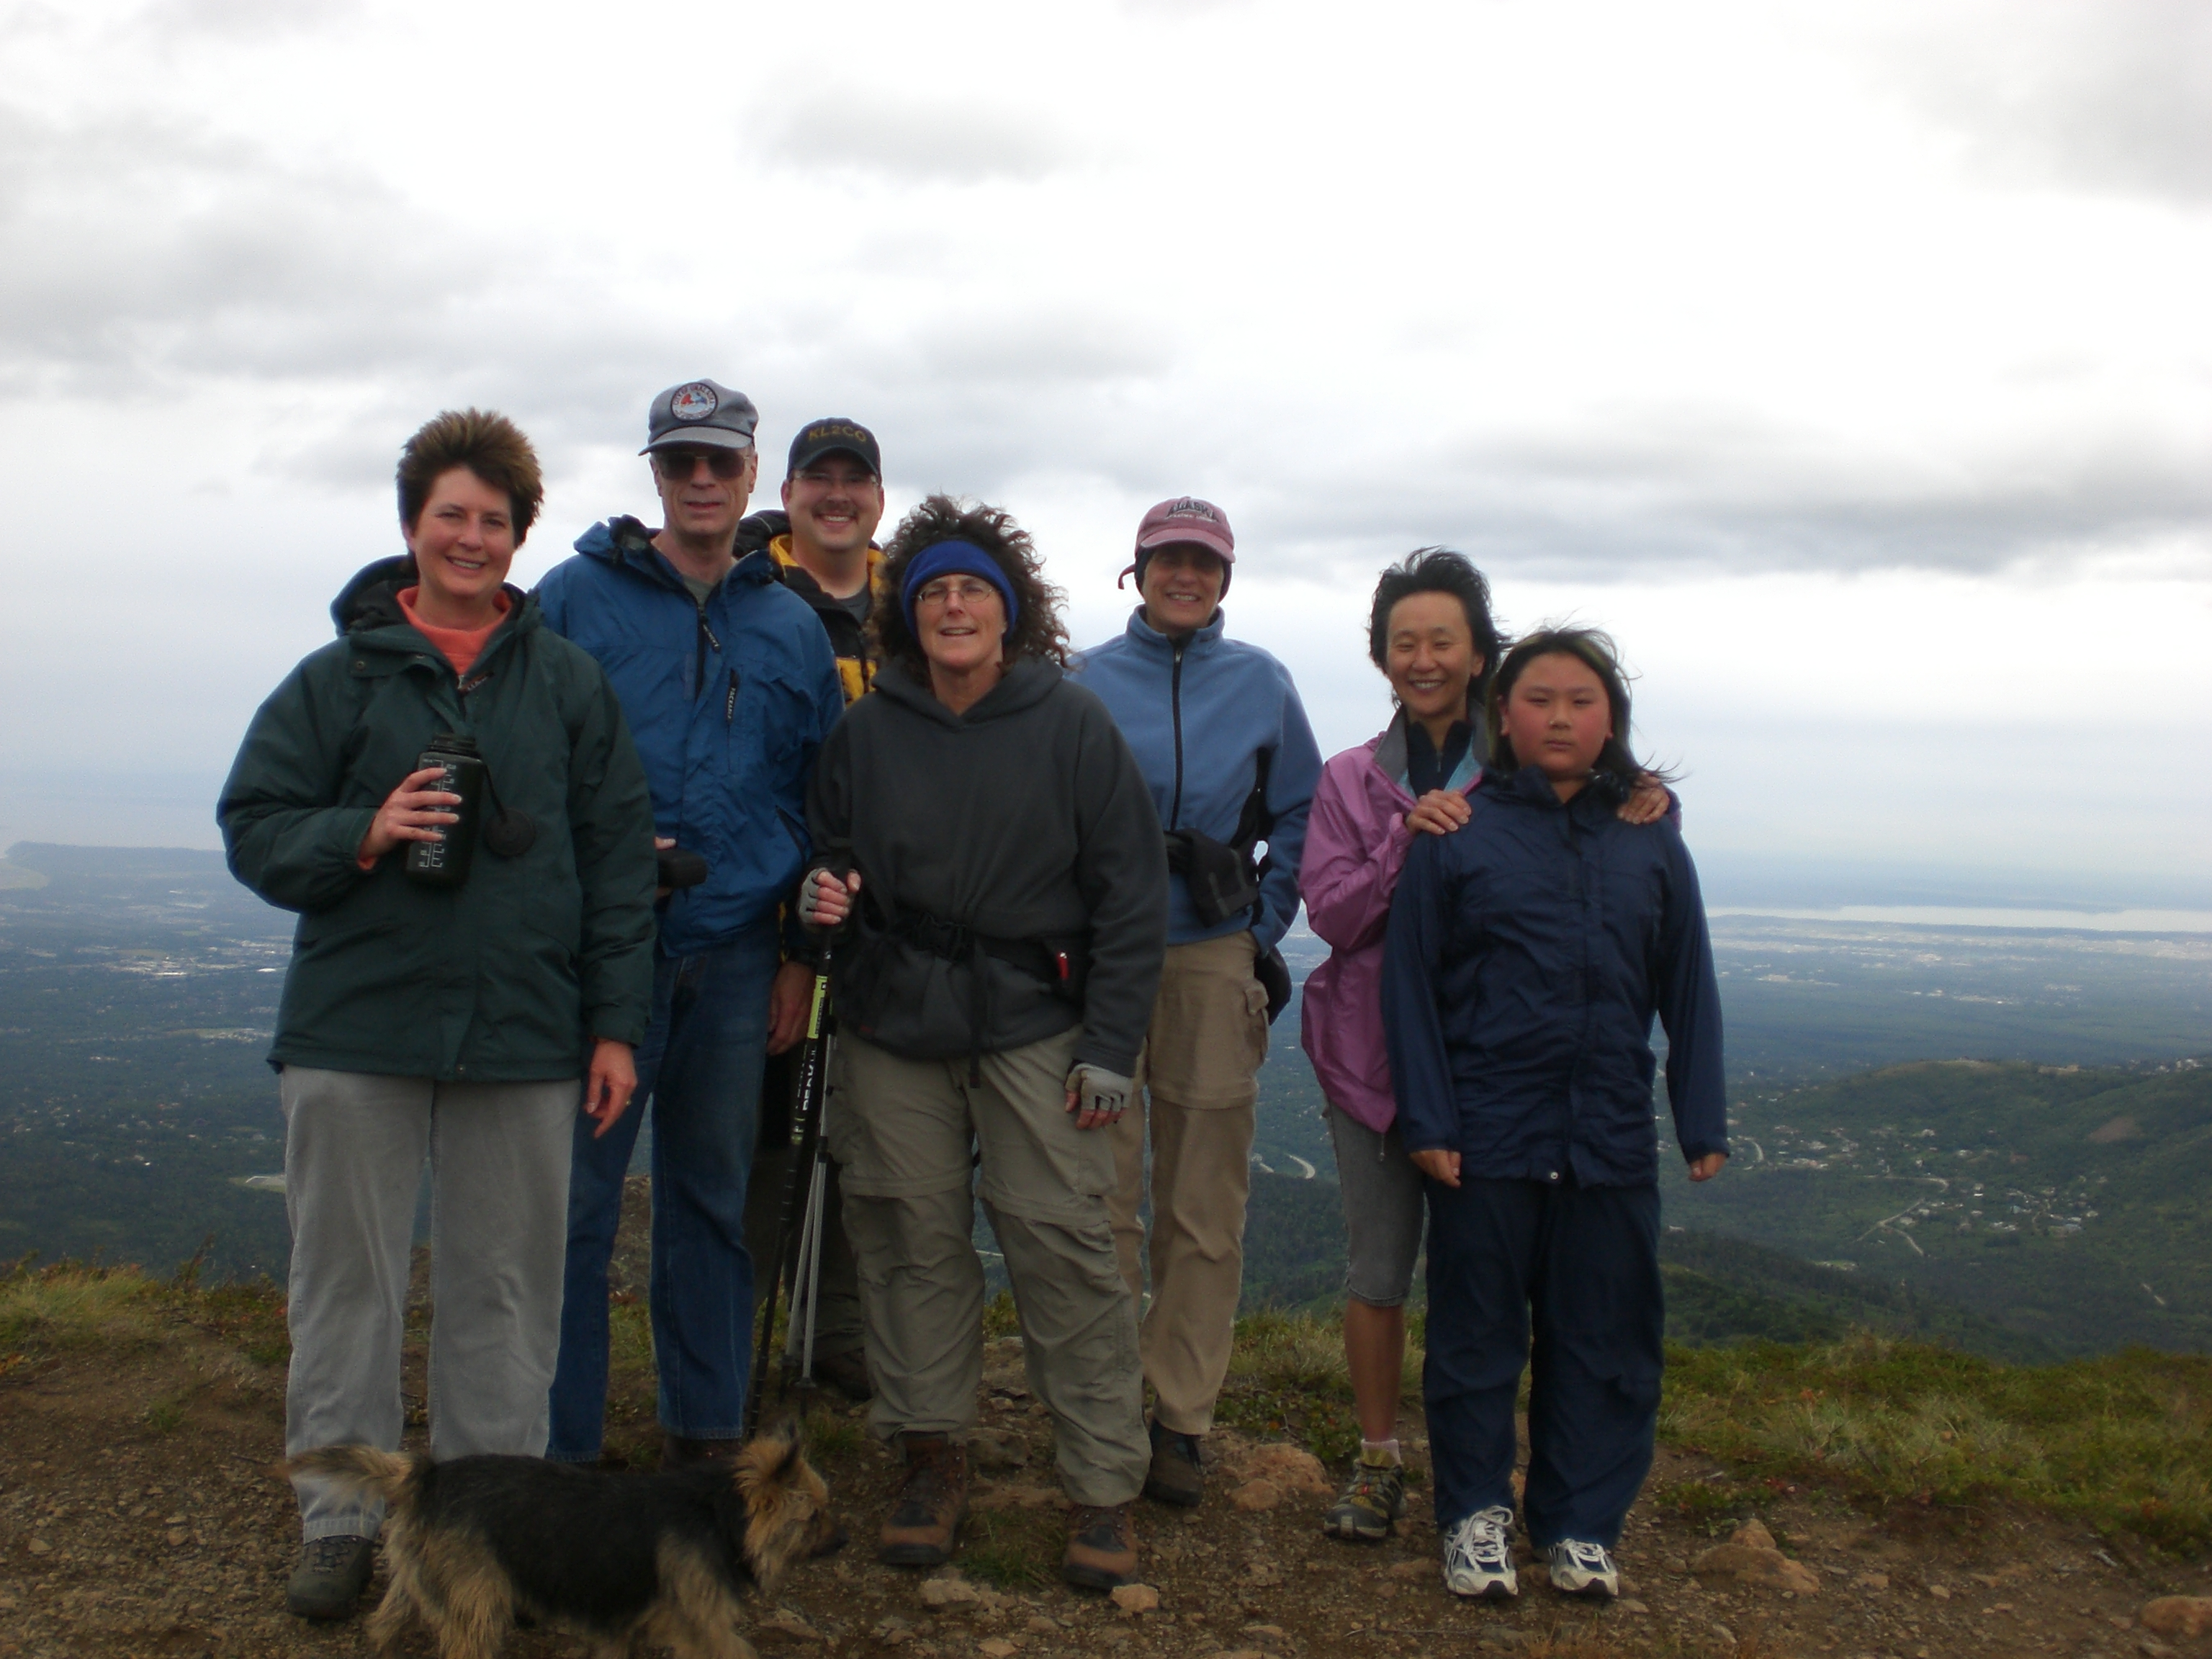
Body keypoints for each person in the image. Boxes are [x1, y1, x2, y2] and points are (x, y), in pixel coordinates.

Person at [218, 410, 658, 1621]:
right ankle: (340, 1520)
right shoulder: (337, 680)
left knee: (503, 1291)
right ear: (412, 525)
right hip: (354, 1027)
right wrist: (360, 831)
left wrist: (613, 1027)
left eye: (494, 520)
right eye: (450, 515)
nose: (471, 537)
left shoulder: (568, 686)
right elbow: (253, 825)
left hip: (524, 1033)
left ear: (520, 536)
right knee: (343, 1284)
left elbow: (620, 866)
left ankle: (488, 1536)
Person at [801, 496, 1166, 1590]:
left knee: (1062, 1242)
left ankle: (1102, 1484)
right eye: (934, 593)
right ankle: (931, 1455)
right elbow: (828, 852)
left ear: (1011, 612)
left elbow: (1130, 897)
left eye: (974, 591)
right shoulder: (867, 732)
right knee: (906, 1235)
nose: (954, 608)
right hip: (893, 1015)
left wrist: (1112, 1046)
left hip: (1034, 1020)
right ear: (907, 614)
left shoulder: (1073, 725)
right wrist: (819, 893)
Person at [1300, 551, 1670, 1544]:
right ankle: (1380, 1460)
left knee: (1501, 1290)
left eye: (1442, 641)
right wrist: (1406, 839)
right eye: (1403, 642)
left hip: (1497, 1072)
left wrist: (1646, 796)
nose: (1421, 659)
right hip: (1372, 1065)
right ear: (1380, 656)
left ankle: (1500, 1490)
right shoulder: (1348, 778)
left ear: (1478, 658)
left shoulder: (1519, 767)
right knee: (1380, 1270)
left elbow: (1596, 819)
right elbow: (1333, 916)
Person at [1383, 627, 1726, 1603]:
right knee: (1476, 1335)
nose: (1562, 718)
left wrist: (1700, 1119)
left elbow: (1688, 982)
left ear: (1612, 718)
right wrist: (1428, 1123)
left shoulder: (1650, 838)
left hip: (1608, 1134)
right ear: (1503, 714)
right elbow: (1410, 990)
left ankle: (1579, 1524)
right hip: (1487, 1133)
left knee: (1606, 1339)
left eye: (1582, 700)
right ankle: (1474, 1515)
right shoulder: (1457, 833)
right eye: (1540, 699)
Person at [539, 379, 845, 1470]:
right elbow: (528, 760)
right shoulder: (575, 598)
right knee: (573, 1208)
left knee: (711, 1201)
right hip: (598, 954)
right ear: (656, 474)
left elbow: (821, 801)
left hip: (736, 954)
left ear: (755, 473)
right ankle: (560, 1457)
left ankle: (705, 1441)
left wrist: (798, 959)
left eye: (722, 461)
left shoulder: (790, 625)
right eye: (681, 462)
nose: (702, 480)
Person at [1069, 495, 1321, 1506]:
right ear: (1137, 571)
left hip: (1213, 952)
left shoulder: (1263, 682)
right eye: (1170, 560)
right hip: (1101, 958)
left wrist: (1260, 929)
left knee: (1202, 1203)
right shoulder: (1083, 680)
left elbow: (1303, 810)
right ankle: (1102, 1406)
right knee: (1098, 1198)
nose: (1187, 577)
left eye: (1205, 563)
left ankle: (1179, 1418)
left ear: (1225, 578)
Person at [737, 416, 889, 1403]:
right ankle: (738, 1334)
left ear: (878, 498)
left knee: (859, 1125)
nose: (837, 496)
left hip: (889, 918)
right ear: (786, 493)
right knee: (765, 1128)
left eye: (855, 479)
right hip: (767, 909)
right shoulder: (749, 591)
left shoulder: (913, 604)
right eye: (817, 478)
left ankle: (834, 1328)